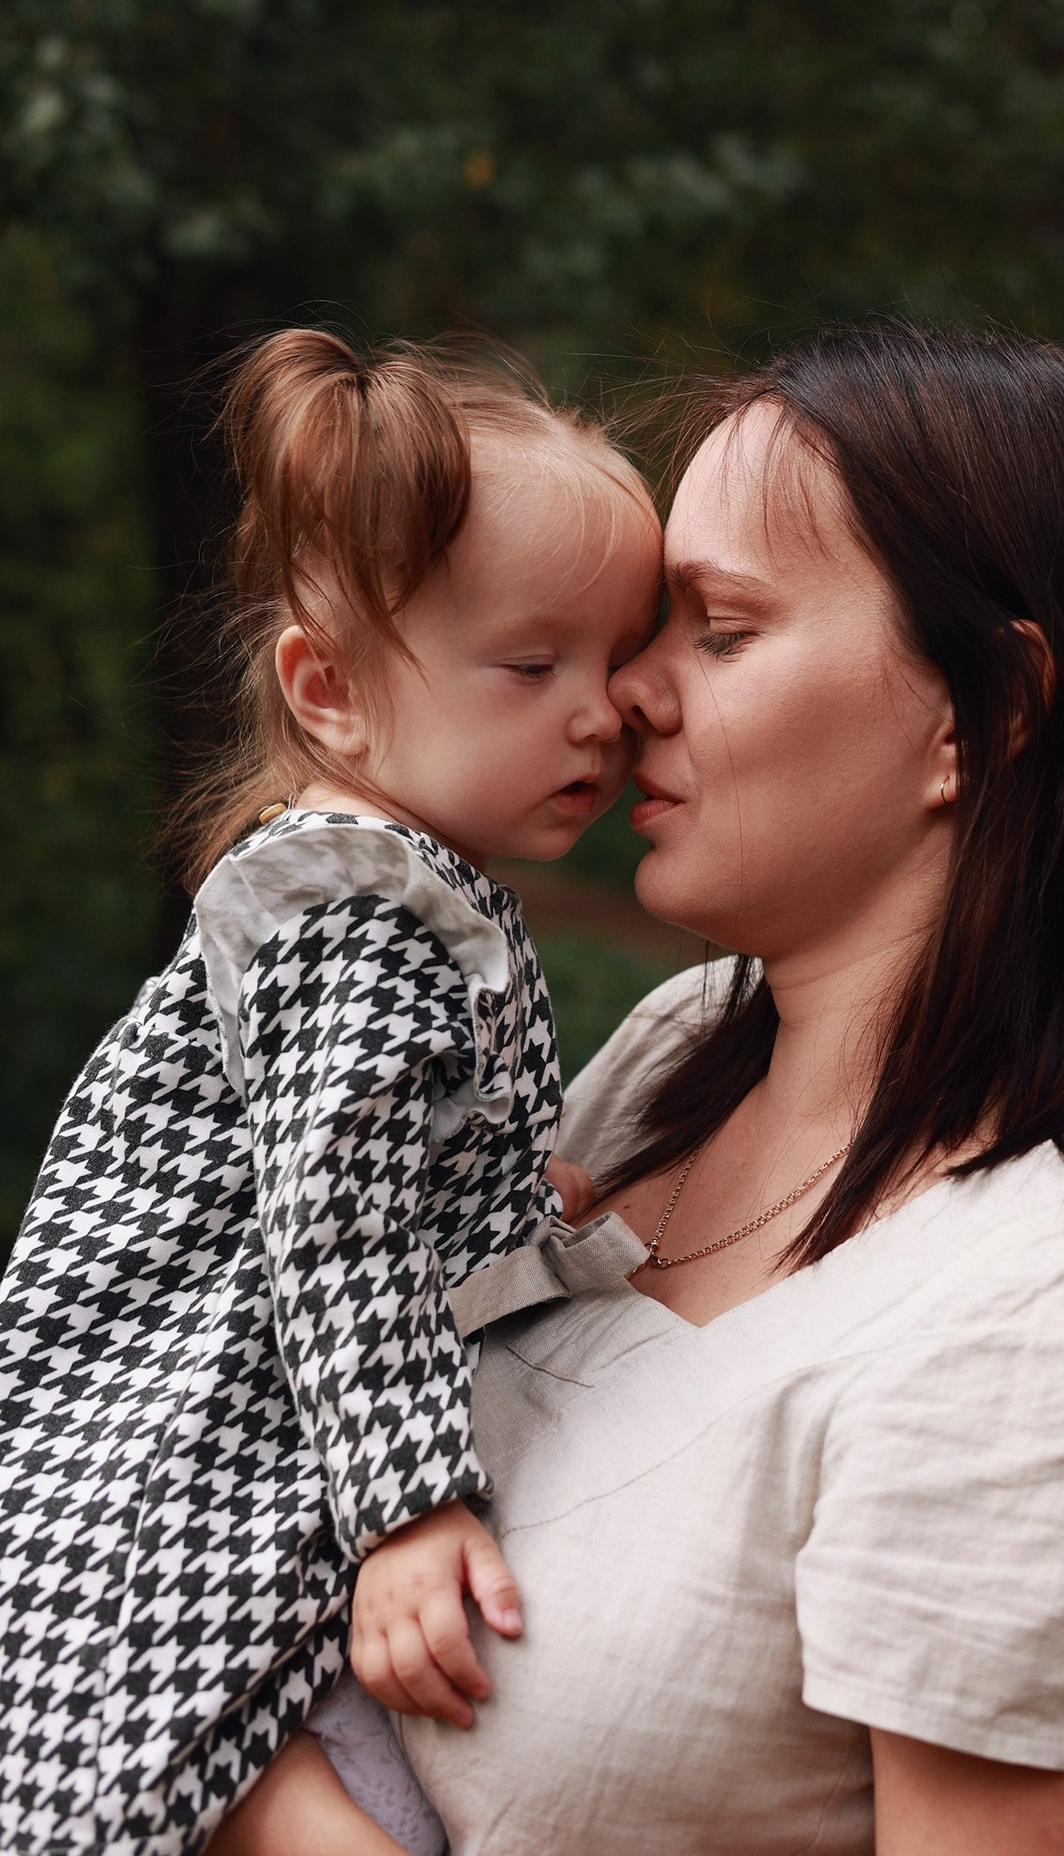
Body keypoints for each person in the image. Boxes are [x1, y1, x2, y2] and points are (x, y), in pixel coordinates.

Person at [254, 319, 1064, 1856]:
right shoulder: (680, 1053)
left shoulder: (1062, 1324)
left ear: (984, 714)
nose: (625, 694)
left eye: (719, 631)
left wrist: (248, 1796)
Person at [0, 327, 659, 1856]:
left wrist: (510, 1203)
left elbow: (385, 1159)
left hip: (219, 1402)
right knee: (196, 1748)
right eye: (534, 665)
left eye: (619, 660)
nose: (602, 713)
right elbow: (339, 1223)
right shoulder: (358, 912)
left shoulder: (387, 887)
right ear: (330, 689)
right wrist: (409, 1508)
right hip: (180, 1425)